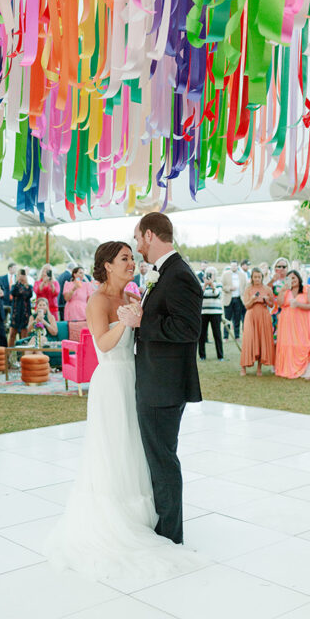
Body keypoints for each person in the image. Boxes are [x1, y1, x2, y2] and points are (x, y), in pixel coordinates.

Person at [48, 240, 202, 580]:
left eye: (133, 257)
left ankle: (142, 518)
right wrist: (126, 323)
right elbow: (102, 342)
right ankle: (112, 520)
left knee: (135, 448)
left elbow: (147, 327)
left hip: (137, 379)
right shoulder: (97, 300)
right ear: (107, 265)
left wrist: (139, 317)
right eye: (124, 258)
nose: (132, 263)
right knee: (113, 448)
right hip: (111, 381)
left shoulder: (134, 295)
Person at [121, 212, 202, 545]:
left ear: (151, 235)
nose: (137, 245)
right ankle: (165, 525)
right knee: (158, 457)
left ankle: (170, 535)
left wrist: (142, 324)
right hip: (155, 380)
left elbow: (188, 329)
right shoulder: (164, 273)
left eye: (139, 238)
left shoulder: (179, 275)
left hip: (163, 385)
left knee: (163, 460)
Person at [274, 270, 310, 379]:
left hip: (302, 321)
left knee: (303, 343)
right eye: (289, 278)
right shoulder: (285, 290)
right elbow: (280, 304)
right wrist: (282, 291)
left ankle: (305, 368)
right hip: (287, 321)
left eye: (294, 278)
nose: (292, 280)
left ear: (299, 279)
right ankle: (288, 367)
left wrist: (299, 304)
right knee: (288, 343)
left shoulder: (306, 289)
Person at [240, 268, 275, 376]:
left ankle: (259, 368)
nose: (257, 279)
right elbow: (246, 305)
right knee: (248, 340)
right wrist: (253, 299)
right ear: (252, 278)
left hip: (263, 316)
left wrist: (265, 299)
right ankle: (243, 367)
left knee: (261, 340)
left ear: (262, 277)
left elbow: (272, 304)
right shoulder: (248, 289)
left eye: (259, 277)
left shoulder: (267, 289)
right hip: (251, 315)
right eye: (255, 277)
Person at [199, 267, 224, 361]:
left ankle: (220, 356)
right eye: (208, 274)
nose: (209, 276)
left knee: (217, 334)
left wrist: (212, 285)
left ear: (215, 276)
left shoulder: (218, 284)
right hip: (204, 312)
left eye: (211, 274)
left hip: (216, 312)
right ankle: (202, 355)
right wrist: (205, 285)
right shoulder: (201, 285)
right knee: (202, 334)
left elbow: (218, 295)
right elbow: (199, 296)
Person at [8, 269, 34, 344]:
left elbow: (28, 294)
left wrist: (25, 285)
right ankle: (10, 353)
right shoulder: (14, 286)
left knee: (24, 335)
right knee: (12, 334)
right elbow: (14, 293)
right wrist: (19, 283)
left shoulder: (29, 287)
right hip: (16, 313)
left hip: (25, 313)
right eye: (20, 275)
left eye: (23, 275)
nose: (22, 277)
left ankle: (22, 353)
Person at [221, 261, 245, 340]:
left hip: (238, 299)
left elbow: (245, 286)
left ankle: (237, 336)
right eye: (232, 266)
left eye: (235, 266)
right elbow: (223, 286)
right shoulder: (225, 274)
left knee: (237, 319)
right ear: (230, 266)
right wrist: (229, 288)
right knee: (227, 319)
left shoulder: (242, 275)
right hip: (229, 299)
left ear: (237, 266)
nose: (233, 267)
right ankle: (226, 336)